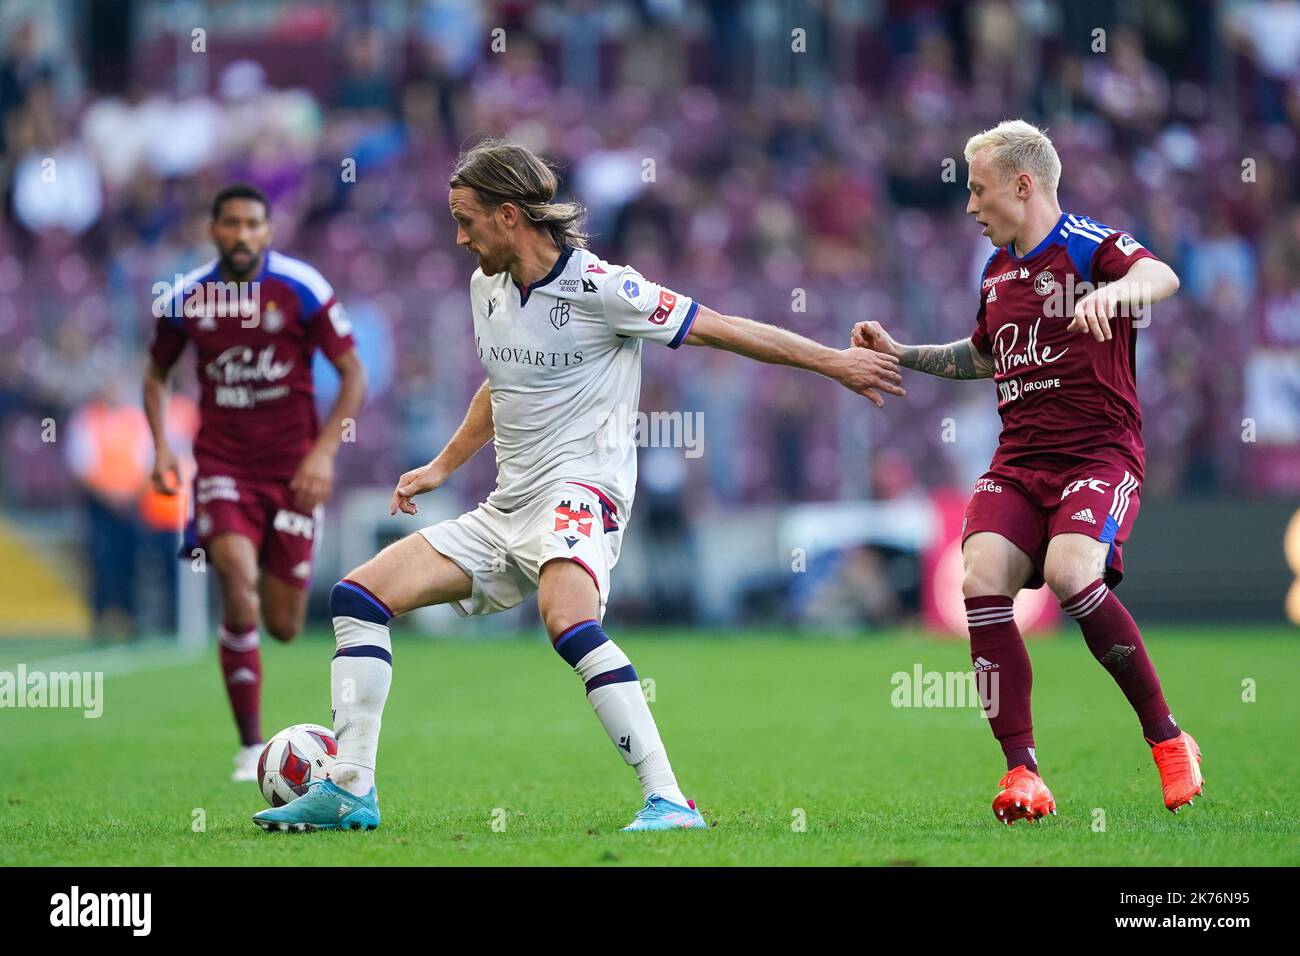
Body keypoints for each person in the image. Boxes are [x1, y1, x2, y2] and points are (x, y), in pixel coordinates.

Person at [253, 139, 904, 832]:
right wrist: (444, 465)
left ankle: (670, 800)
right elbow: (502, 383)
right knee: (357, 597)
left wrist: (835, 362)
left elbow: (720, 328)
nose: (458, 235)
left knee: (566, 620)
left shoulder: (604, 288)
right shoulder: (486, 290)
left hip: (580, 495)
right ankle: (351, 788)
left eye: (466, 218)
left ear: (509, 216)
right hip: (507, 508)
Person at [851, 120, 1200, 824]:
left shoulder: (1088, 246)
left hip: (1098, 454)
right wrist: (903, 351)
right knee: (979, 579)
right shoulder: (996, 273)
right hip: (1019, 463)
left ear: (1022, 183)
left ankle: (1168, 739)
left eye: (979, 191)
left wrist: (1115, 295)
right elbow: (982, 358)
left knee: (1074, 575)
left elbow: (1161, 274)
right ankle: (1023, 773)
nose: (971, 207)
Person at [144, 184, 366, 781]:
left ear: (268, 232)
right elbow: (155, 373)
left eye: (253, 225)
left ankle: (254, 654)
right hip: (221, 467)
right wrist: (163, 446)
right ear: (214, 230)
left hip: (295, 473)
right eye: (231, 224)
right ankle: (249, 747)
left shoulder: (301, 289)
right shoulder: (187, 297)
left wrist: (323, 455)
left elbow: (352, 375)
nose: (242, 234)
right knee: (236, 586)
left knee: (285, 625)